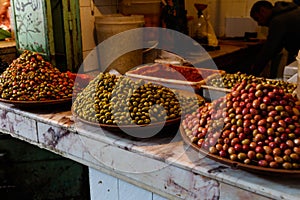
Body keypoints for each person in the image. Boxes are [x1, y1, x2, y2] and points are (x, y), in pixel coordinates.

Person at [250, 0, 300, 78]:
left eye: (257, 18)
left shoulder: (278, 21)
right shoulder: (290, 12)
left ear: (263, 11)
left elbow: (269, 50)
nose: (259, 23)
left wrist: (253, 74)